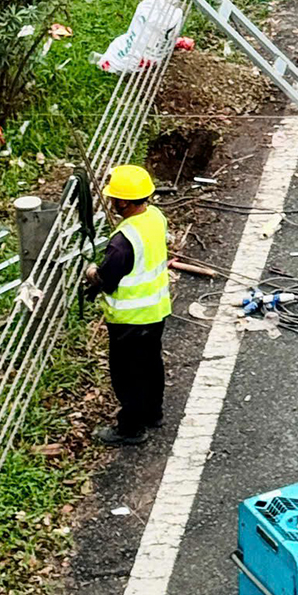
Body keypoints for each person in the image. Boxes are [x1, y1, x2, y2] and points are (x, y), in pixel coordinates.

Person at [84, 165, 171, 445]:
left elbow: (107, 279)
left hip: (130, 320)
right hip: (156, 311)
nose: (111, 202)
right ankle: (153, 413)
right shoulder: (155, 217)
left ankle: (131, 428)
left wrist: (91, 272)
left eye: (113, 198)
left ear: (122, 201)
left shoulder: (123, 242)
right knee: (151, 364)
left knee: (128, 375)